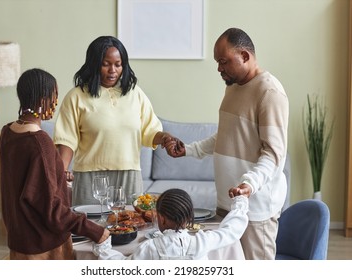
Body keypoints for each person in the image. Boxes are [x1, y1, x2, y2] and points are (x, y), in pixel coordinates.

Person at [165, 28, 289, 260]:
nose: (219, 68)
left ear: (244, 55)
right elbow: (224, 136)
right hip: (227, 203)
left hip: (254, 208)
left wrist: (249, 184)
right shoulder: (232, 87)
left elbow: (273, 153)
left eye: (223, 61)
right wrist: (189, 151)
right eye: (217, 62)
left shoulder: (270, 92)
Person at [0, 68, 110, 260]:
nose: (55, 103)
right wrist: (94, 231)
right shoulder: (40, 143)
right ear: (43, 100)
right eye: (54, 96)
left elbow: (25, 183)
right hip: (44, 245)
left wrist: (58, 175)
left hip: (19, 239)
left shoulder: (7, 133)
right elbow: (50, 207)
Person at [53, 36, 174, 206]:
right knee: (89, 228)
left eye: (118, 64)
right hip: (89, 177)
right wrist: (61, 171)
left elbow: (150, 131)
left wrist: (165, 138)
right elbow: (67, 139)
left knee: (132, 228)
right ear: (94, 64)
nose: (113, 70)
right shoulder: (76, 97)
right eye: (106, 64)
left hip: (129, 176)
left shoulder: (135, 93)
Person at [91, 188, 249, 260]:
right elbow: (231, 231)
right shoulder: (202, 242)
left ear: (161, 219)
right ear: (188, 218)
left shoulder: (149, 248)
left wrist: (103, 245)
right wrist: (240, 202)